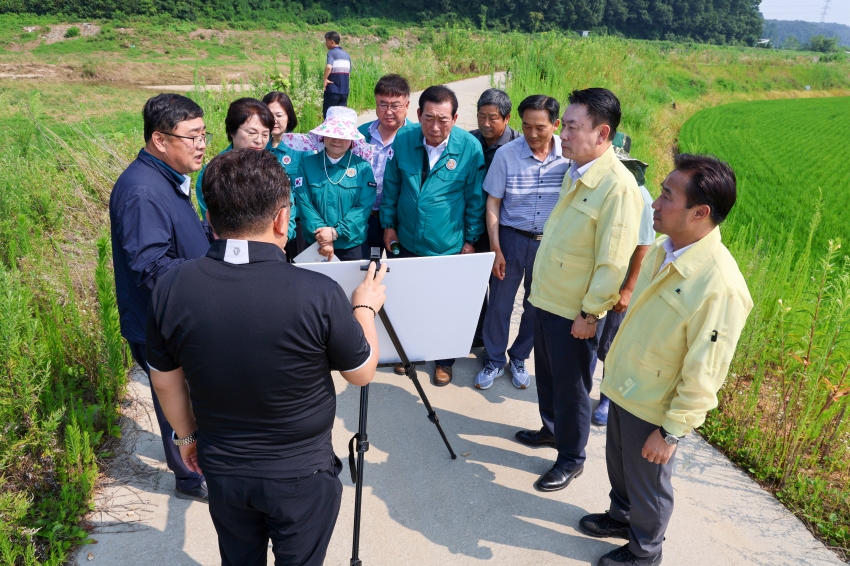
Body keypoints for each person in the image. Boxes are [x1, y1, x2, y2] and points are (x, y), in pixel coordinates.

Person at [147, 147, 387, 566]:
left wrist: (187, 438)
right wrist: (364, 308)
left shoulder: (171, 287)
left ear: (210, 218)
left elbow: (165, 379)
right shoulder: (317, 293)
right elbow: (361, 372)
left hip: (223, 467)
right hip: (301, 473)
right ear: (281, 218)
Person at [578, 155, 752, 566]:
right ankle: (621, 517)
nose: (654, 203)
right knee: (621, 468)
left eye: (667, 196)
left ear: (700, 212)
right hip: (626, 387)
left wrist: (671, 432)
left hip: (655, 408)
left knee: (649, 485)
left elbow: (706, 372)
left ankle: (645, 552)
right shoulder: (664, 250)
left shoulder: (720, 286)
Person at [515, 88, 643, 493]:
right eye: (564, 126)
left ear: (602, 133)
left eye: (571, 127)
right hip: (548, 298)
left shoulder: (617, 188)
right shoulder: (577, 170)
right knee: (548, 375)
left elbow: (612, 262)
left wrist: (590, 314)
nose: (562, 135)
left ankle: (571, 458)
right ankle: (551, 429)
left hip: (576, 311)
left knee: (572, 388)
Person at [109, 93, 211, 503]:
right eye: (192, 136)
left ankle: (196, 465)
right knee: (175, 400)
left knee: (189, 398)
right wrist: (211, 278)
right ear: (160, 139)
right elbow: (150, 266)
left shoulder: (167, 178)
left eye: (204, 134)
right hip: (163, 321)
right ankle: (190, 477)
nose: (201, 144)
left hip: (181, 314)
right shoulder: (142, 191)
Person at [381, 85, 486, 385]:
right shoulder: (404, 139)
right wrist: (388, 225)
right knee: (408, 300)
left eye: (443, 119)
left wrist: (470, 240)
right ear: (418, 115)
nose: (435, 127)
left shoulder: (469, 148)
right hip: (407, 239)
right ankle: (410, 353)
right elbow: (392, 184)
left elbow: (475, 199)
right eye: (429, 118)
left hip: (447, 244)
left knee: (445, 306)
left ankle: (444, 361)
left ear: (455, 118)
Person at [474, 95, 569, 390]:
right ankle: (493, 359)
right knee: (500, 303)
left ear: (556, 124)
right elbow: (493, 202)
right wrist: (496, 247)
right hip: (511, 238)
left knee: (536, 304)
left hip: (548, 244)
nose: (532, 133)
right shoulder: (507, 155)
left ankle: (519, 357)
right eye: (526, 126)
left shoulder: (569, 157)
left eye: (540, 127)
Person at [591, 132, 656, 426]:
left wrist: (628, 290)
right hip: (597, 277)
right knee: (588, 336)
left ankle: (607, 397)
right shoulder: (600, 184)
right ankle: (580, 391)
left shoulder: (641, 196)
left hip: (621, 283)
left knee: (613, 343)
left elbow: (643, 247)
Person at [196, 98, 294, 243]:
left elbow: (288, 208)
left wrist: (281, 240)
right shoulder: (213, 172)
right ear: (232, 131)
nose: (259, 141)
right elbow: (213, 221)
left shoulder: (274, 167)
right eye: (252, 133)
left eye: (265, 134)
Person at [469, 88, 522, 347]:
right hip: (472, 226)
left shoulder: (518, 146)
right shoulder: (468, 142)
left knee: (499, 288)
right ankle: (476, 335)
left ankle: (493, 344)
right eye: (481, 116)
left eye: (493, 118)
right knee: (473, 284)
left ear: (507, 118)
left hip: (506, 229)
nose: (486, 123)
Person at [294, 107, 377, 261]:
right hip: (315, 244)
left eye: (343, 135)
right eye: (331, 133)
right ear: (323, 135)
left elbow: (363, 207)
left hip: (351, 246)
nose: (336, 139)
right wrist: (322, 237)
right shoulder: (306, 163)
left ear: (352, 139)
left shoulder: (363, 167)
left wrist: (335, 233)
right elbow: (304, 202)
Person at [358, 74, 414, 259]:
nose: (388, 111)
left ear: (407, 105)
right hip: (363, 217)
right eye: (382, 104)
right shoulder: (360, 135)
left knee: (397, 270)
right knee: (364, 267)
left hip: (399, 221)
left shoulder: (415, 138)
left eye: (395, 105)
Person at [263, 91, 309, 261]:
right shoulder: (260, 146)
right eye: (269, 115)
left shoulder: (302, 145)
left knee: (298, 268)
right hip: (267, 223)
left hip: (297, 222)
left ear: (289, 116)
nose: (274, 120)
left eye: (279, 115)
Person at [323, 30, 351, 118]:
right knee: (340, 117)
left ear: (332, 42)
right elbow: (348, 74)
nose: (325, 43)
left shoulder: (332, 53)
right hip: (344, 91)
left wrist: (325, 79)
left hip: (333, 90)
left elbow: (329, 67)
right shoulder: (347, 55)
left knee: (328, 116)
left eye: (326, 41)